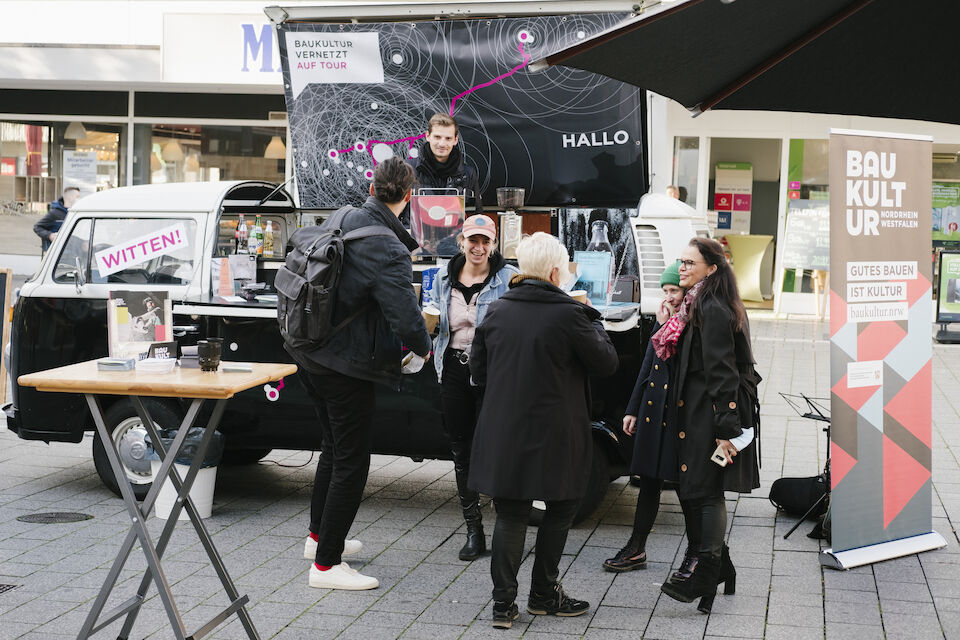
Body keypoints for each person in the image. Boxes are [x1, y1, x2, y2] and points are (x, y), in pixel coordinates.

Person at [286, 157, 432, 591]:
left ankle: (318, 539)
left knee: (333, 447)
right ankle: (327, 567)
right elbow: (406, 318)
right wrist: (424, 350)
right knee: (352, 460)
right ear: (408, 196)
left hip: (308, 350)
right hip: (343, 364)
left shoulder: (344, 215)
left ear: (372, 187)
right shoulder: (388, 246)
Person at [468, 232, 619, 629]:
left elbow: (477, 371)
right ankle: (543, 593)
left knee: (511, 512)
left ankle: (503, 606)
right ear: (556, 271)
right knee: (562, 507)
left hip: (505, 428)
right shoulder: (570, 313)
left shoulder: (497, 310)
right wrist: (593, 317)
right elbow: (607, 363)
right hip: (557, 430)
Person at [654, 237, 760, 613]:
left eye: (689, 263)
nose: (681, 268)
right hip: (694, 408)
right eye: (680, 262)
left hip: (711, 411)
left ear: (711, 269)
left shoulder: (712, 307)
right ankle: (719, 566)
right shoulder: (693, 304)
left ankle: (706, 567)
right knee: (690, 487)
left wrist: (725, 426)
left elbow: (722, 370)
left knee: (705, 489)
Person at [430, 214, 518, 561]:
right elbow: (439, 325)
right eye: (473, 240)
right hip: (453, 367)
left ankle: (505, 530)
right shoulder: (443, 276)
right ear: (462, 242)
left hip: (493, 372)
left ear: (494, 244)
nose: (479, 247)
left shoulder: (508, 279)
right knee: (461, 449)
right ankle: (473, 529)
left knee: (496, 447)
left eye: (486, 241)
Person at [602, 260, 690, 573]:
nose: (670, 297)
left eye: (675, 290)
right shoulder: (667, 319)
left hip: (677, 418)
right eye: (665, 290)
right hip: (654, 413)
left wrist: (667, 326)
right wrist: (633, 409)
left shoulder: (691, 321)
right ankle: (636, 548)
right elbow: (648, 366)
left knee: (686, 489)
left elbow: (676, 368)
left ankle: (711, 556)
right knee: (650, 481)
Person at [409, 113, 482, 214]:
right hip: (415, 229)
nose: (442, 144)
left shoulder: (468, 174)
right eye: (437, 137)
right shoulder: (408, 170)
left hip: (458, 230)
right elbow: (397, 214)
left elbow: (476, 216)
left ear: (455, 140)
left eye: (448, 138)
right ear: (428, 136)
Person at [34, 186, 80, 252]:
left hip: (73, 250)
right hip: (59, 253)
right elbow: (37, 227)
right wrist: (50, 235)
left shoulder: (75, 213)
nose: (79, 199)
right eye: (77, 197)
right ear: (69, 198)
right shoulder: (54, 213)